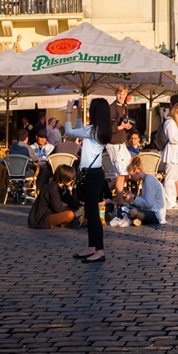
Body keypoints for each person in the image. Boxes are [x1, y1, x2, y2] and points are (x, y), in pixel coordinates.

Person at [65, 97, 112, 263]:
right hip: (94, 173)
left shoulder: (93, 130)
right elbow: (80, 130)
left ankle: (99, 250)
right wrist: (79, 112)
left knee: (92, 214)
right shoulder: (98, 129)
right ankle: (92, 247)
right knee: (90, 213)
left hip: (92, 175)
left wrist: (69, 111)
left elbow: (70, 132)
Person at [27, 165, 82, 229]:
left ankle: (68, 222)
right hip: (42, 218)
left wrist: (80, 206)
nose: (72, 181)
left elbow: (69, 199)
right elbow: (58, 208)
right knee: (70, 214)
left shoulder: (61, 188)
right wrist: (76, 214)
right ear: (65, 177)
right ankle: (69, 221)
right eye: (71, 178)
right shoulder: (53, 188)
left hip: (52, 212)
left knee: (72, 208)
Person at [108, 85, 134, 207]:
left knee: (127, 171)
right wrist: (121, 127)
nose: (121, 96)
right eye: (120, 94)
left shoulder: (124, 108)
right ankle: (120, 204)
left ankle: (105, 192)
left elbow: (122, 125)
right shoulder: (111, 108)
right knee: (121, 174)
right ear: (116, 94)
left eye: (123, 94)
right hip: (114, 144)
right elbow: (108, 128)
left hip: (122, 143)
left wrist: (127, 126)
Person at [123, 156, 167, 226]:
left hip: (156, 213)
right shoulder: (145, 180)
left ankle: (135, 218)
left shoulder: (149, 181)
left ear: (137, 171)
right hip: (151, 210)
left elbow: (148, 204)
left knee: (133, 212)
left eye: (132, 175)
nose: (132, 178)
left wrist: (134, 197)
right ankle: (136, 220)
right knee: (127, 207)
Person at [160, 103, 178, 211]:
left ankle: (171, 201)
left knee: (173, 178)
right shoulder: (170, 123)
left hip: (175, 153)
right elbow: (173, 139)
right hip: (171, 153)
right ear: (176, 112)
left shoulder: (175, 123)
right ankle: (169, 201)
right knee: (170, 179)